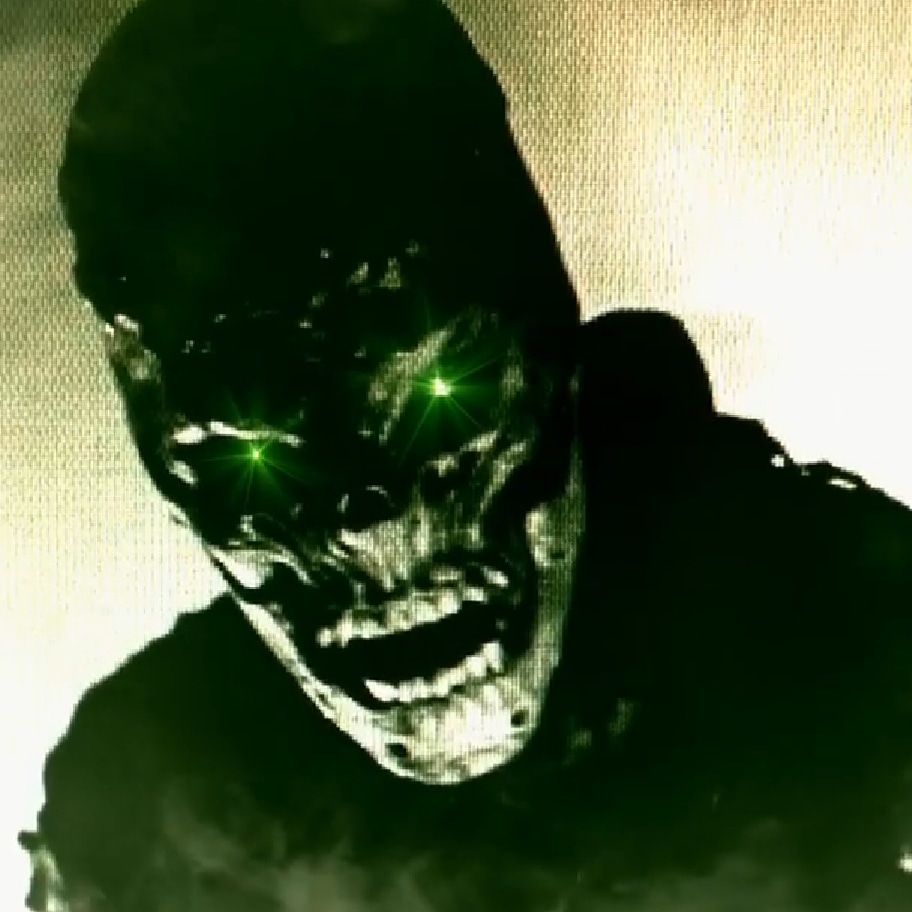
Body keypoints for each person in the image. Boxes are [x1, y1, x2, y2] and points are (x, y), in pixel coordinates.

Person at [20, 0, 912, 909]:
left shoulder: (870, 636)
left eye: (445, 398)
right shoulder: (136, 807)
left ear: (553, 344)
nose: (371, 524)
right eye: (252, 459)